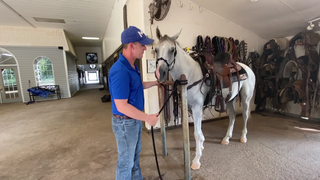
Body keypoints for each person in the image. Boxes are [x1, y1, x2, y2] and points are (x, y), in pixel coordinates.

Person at [108, 26, 159, 180]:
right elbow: (121, 106)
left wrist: (156, 83)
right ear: (132, 45)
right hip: (125, 123)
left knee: (134, 158)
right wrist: (147, 118)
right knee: (126, 163)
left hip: (133, 121)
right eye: (142, 44)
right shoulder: (120, 71)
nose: (145, 48)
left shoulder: (131, 66)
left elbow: (137, 85)